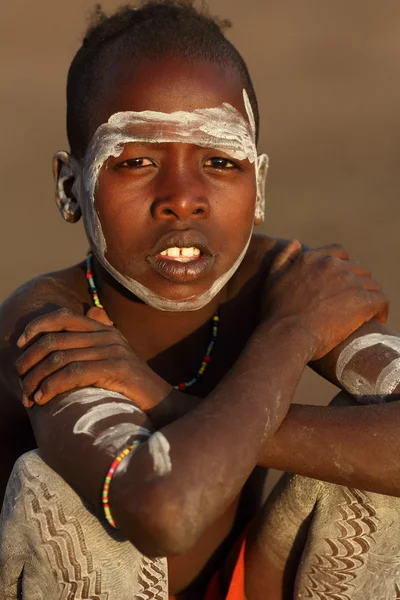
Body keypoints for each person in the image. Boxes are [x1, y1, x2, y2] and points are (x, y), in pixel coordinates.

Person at [1, 2, 400, 598]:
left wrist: (166, 403)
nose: (182, 198)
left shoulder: (292, 283)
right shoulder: (53, 326)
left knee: (374, 463)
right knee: (57, 490)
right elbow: (167, 513)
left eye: (219, 161)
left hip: (249, 582)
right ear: (70, 187)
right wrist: (290, 336)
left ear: (258, 184)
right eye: (136, 161)